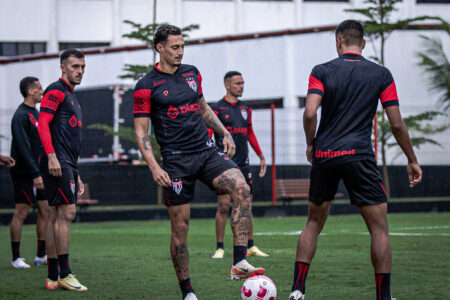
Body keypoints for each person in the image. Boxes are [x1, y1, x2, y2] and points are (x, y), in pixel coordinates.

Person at [289, 20, 422, 300]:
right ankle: (383, 297)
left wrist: (312, 144)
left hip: (325, 155)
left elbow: (310, 113)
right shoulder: (381, 74)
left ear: (338, 41)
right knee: (379, 228)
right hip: (359, 156)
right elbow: (396, 124)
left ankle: (297, 291)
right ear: (362, 43)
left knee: (313, 223)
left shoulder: (321, 71)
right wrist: (411, 159)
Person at [133, 25, 265, 300]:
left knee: (242, 188)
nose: (181, 51)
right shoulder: (146, 86)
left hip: (206, 152)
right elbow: (141, 132)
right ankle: (188, 291)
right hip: (176, 162)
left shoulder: (192, 73)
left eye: (183, 46)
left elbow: (203, 108)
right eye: (175, 47)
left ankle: (239, 262)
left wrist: (224, 131)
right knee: (180, 228)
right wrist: (155, 167)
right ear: (159, 48)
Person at [38, 49, 87, 291]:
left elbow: (68, 138)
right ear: (63, 67)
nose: (79, 71)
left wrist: (76, 173)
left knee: (57, 215)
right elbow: (43, 124)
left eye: (82, 67)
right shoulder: (56, 91)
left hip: (67, 162)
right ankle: (66, 274)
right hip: (57, 161)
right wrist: (51, 157)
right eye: (75, 66)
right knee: (66, 213)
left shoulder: (71, 96)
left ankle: (52, 275)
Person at [209, 71, 268, 259]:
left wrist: (260, 155)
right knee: (224, 206)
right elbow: (210, 134)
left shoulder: (246, 108)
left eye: (243, 83)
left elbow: (249, 133)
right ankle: (220, 247)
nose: (241, 86)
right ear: (227, 85)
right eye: (237, 83)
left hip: (244, 163)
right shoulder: (217, 109)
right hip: (225, 165)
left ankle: (250, 246)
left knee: (246, 204)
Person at [9, 77, 49, 269]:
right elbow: (23, 148)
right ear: (31, 91)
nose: (42, 91)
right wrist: (34, 173)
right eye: (40, 88)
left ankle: (41, 255)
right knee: (21, 212)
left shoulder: (36, 113)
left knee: (46, 210)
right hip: (25, 172)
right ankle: (16, 258)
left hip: (39, 170)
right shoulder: (20, 116)